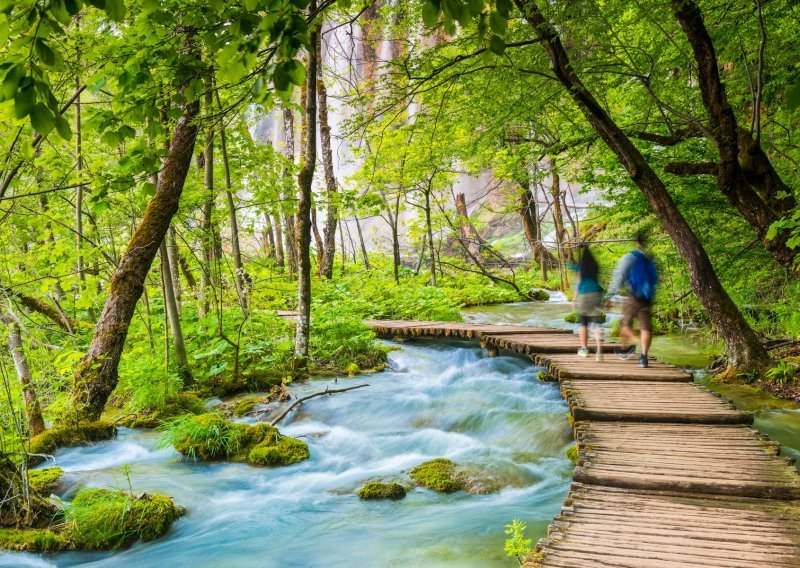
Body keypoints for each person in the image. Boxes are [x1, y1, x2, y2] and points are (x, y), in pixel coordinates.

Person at [607, 232, 658, 368]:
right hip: (647, 297)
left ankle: (627, 347)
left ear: (635, 242)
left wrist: (610, 295)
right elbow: (656, 278)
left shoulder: (629, 258)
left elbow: (619, 276)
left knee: (624, 324)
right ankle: (643, 358)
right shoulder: (649, 260)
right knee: (645, 327)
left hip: (633, 296)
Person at [569, 244, 605, 361]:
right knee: (595, 322)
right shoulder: (595, 265)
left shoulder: (581, 267)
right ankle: (599, 351)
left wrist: (574, 300)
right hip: (597, 293)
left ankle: (584, 349)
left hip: (585, 294)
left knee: (583, 322)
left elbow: (578, 283)